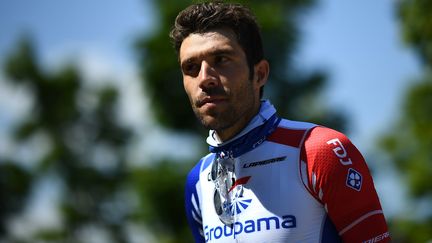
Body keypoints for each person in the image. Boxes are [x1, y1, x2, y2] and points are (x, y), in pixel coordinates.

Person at [170, 2, 390, 242]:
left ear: (260, 74)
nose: (204, 79)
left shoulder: (321, 152)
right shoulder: (197, 180)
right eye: (191, 67)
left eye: (221, 59)